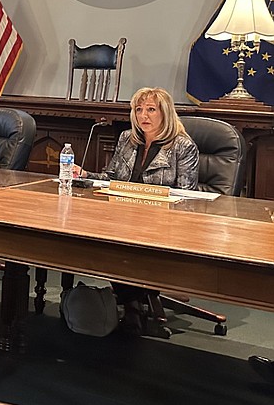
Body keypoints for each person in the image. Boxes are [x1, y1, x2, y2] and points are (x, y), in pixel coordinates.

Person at [73, 86, 199, 335]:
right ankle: (131, 301)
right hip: (124, 216)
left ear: (165, 113)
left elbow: (187, 196)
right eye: (139, 109)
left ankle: (132, 305)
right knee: (101, 235)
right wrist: (85, 175)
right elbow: (111, 178)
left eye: (151, 109)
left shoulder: (182, 146)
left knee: (124, 243)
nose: (144, 115)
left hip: (162, 221)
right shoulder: (127, 139)